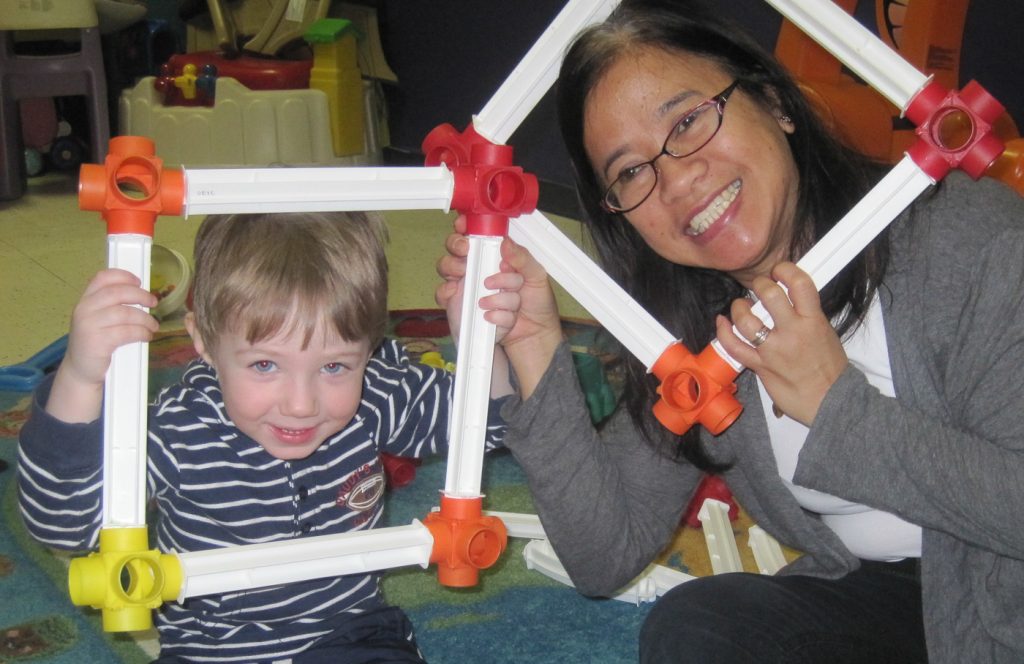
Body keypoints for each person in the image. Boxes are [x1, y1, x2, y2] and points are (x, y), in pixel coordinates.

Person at [436, 1, 1024, 662]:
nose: (678, 179)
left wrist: (835, 407)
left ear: (774, 101)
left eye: (688, 121)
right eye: (630, 172)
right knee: (701, 628)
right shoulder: (696, 331)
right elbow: (603, 556)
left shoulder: (972, 241)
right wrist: (532, 347)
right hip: (884, 603)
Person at [18, 210, 524, 663]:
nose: (301, 404)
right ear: (204, 342)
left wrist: (482, 345)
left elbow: (491, 422)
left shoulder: (373, 393)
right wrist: (81, 379)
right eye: (265, 364)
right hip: (210, 647)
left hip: (348, 633)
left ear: (368, 350)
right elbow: (63, 523)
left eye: (333, 366)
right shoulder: (176, 430)